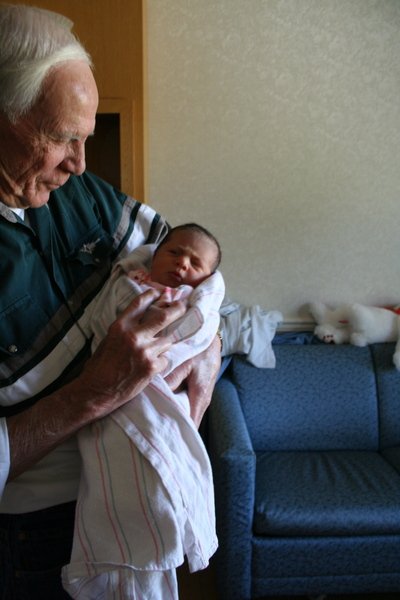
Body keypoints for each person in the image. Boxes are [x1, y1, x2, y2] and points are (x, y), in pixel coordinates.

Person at [0, 5, 221, 599]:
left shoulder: (81, 193)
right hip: (34, 530)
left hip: (136, 487)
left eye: (85, 137)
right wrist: (96, 391)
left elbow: (197, 266)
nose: (80, 163)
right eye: (62, 138)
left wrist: (208, 342)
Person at [62, 223, 225, 599]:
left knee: (154, 491)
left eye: (195, 264)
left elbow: (199, 326)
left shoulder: (189, 297)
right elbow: (107, 315)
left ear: (206, 279)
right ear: (155, 254)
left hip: (160, 393)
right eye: (174, 253)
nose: (182, 264)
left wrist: (208, 336)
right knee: (113, 485)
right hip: (108, 396)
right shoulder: (131, 280)